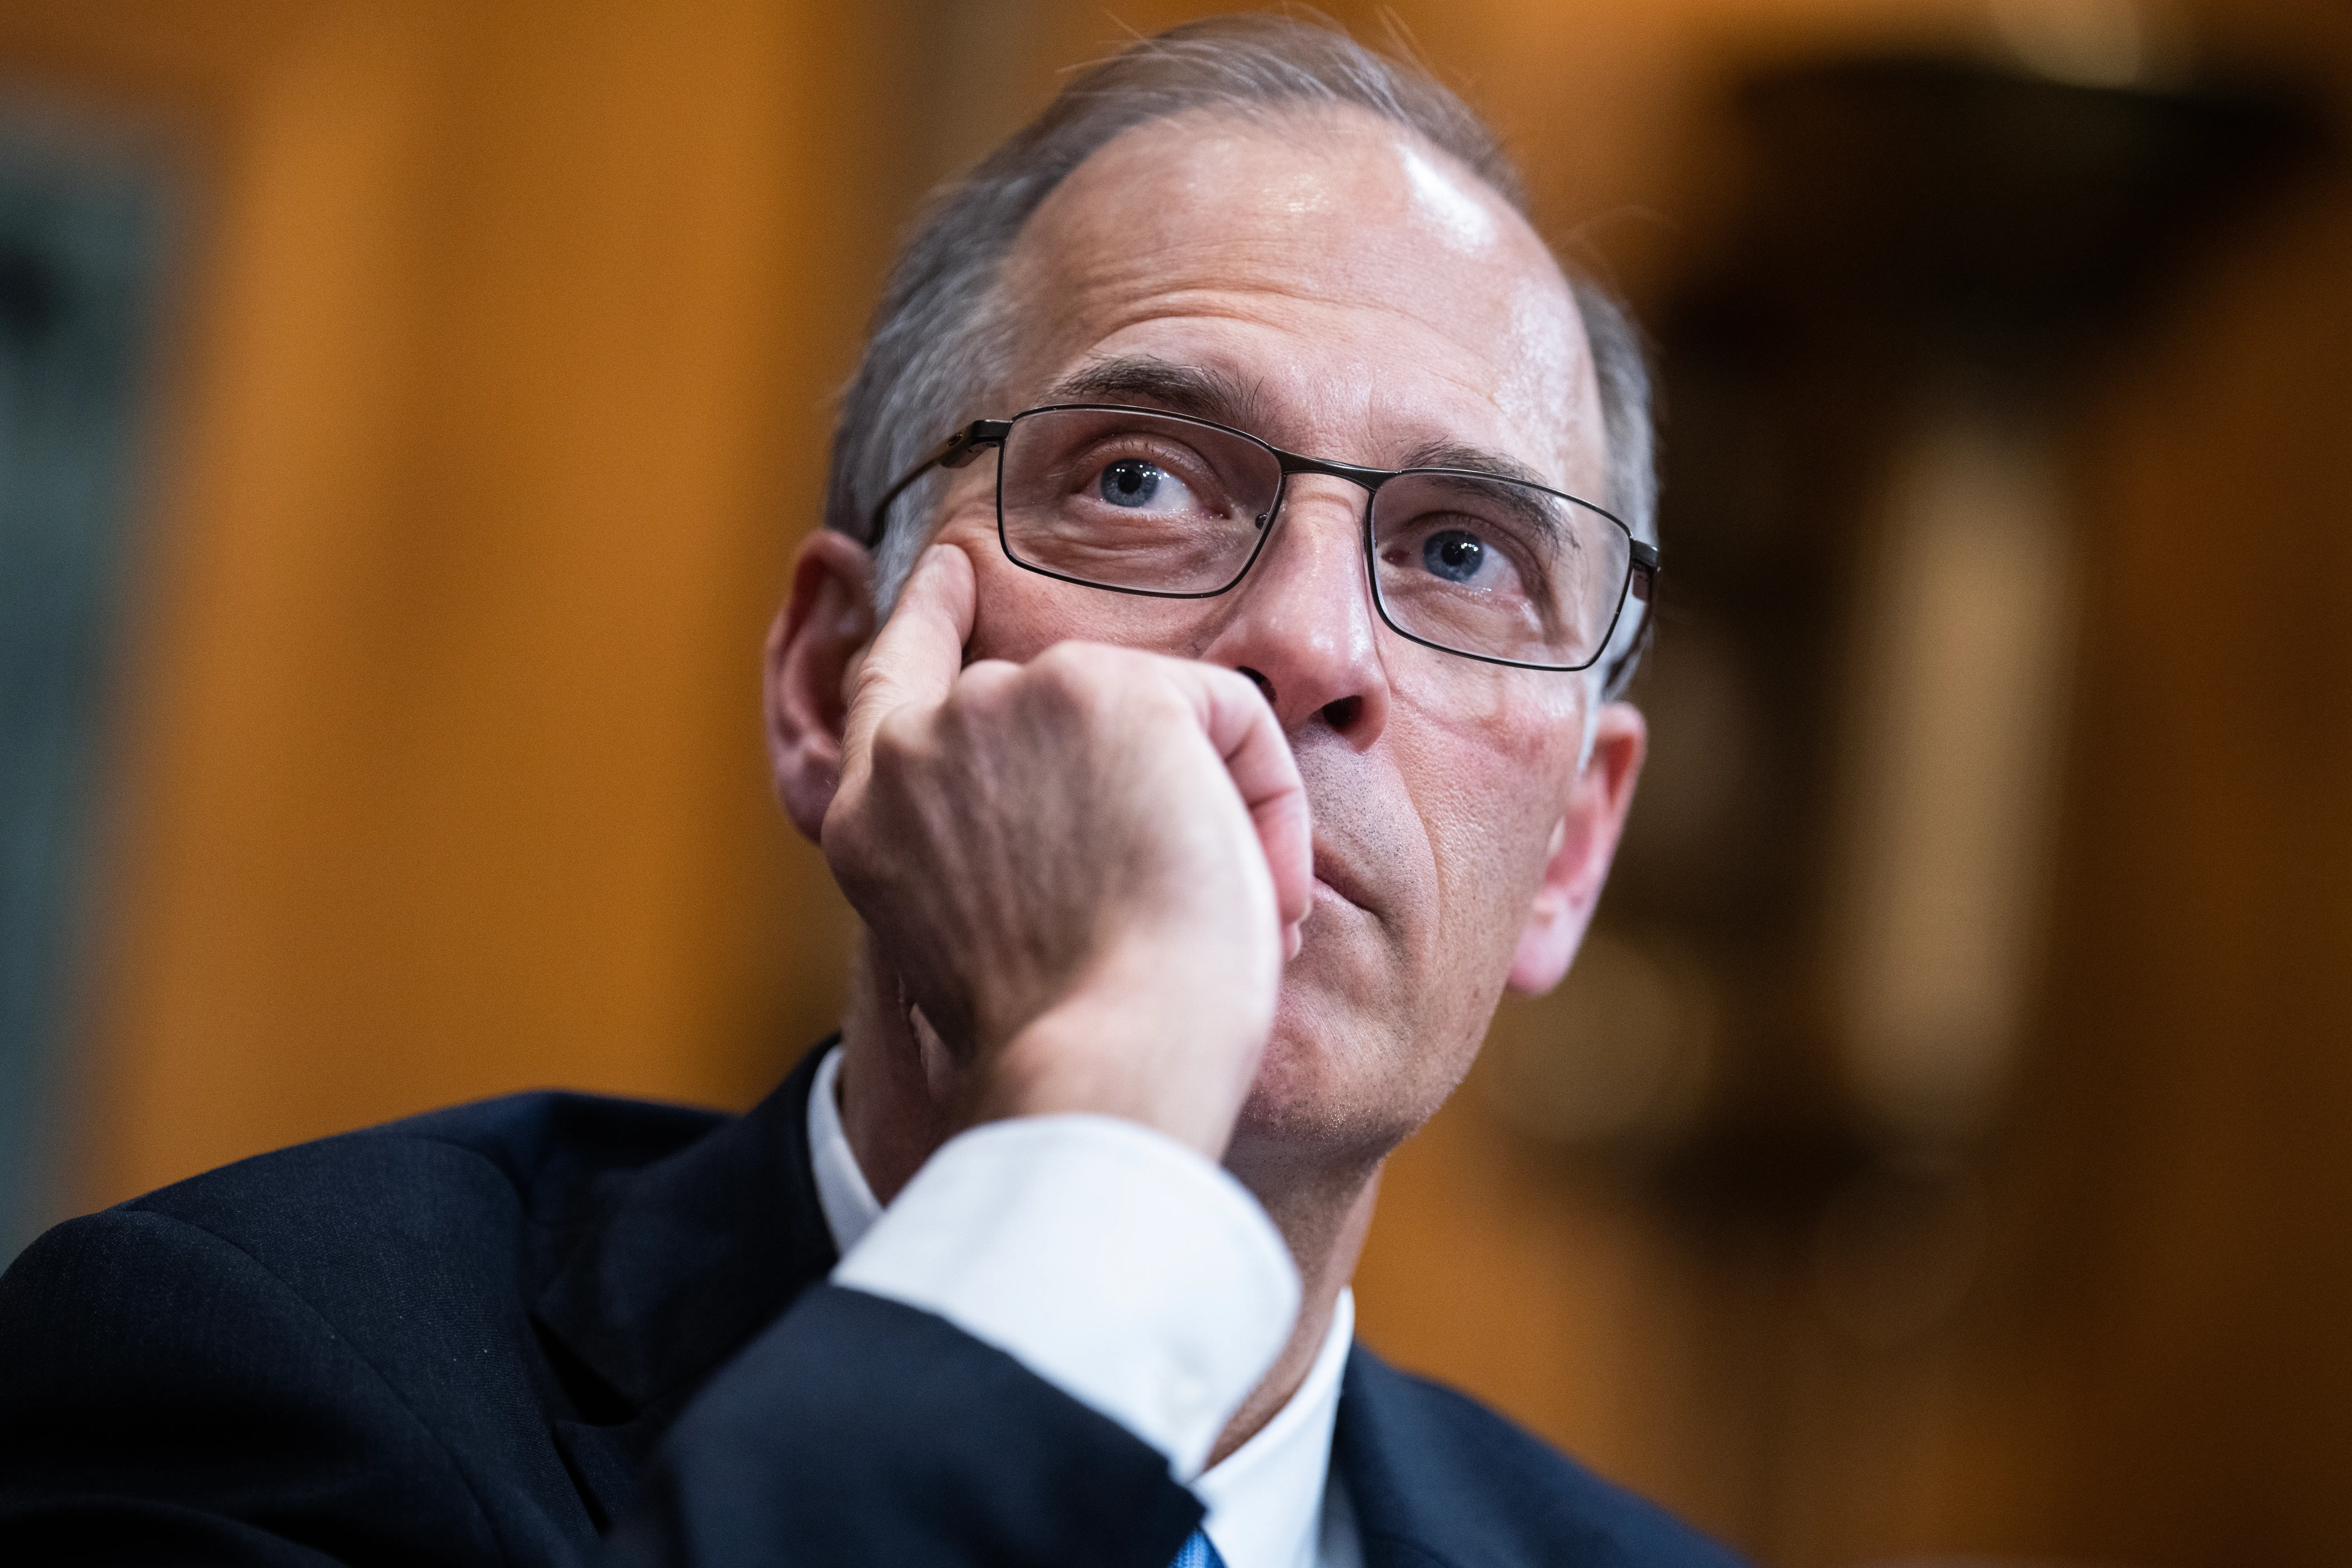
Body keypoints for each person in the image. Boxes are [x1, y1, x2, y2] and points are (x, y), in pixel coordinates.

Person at [0, 15, 1740, 1567]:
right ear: (839, 685)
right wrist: (1097, 1136)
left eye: (1458, 551)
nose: (1301, 640)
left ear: (1571, 852)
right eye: (1139, 479)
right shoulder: (254, 1375)